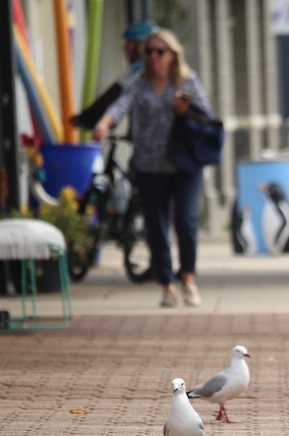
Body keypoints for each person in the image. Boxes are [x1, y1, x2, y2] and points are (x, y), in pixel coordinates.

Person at [92, 28, 212, 308]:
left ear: (172, 55)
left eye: (160, 51)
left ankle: (189, 278)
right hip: (149, 165)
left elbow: (208, 116)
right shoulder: (138, 83)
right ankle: (167, 283)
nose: (154, 56)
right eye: (150, 51)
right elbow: (120, 106)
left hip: (184, 164)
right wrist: (104, 123)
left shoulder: (187, 81)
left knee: (186, 221)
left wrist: (185, 110)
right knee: (156, 226)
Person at [70, 21, 157, 129]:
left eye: (129, 42)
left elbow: (113, 95)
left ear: (141, 45)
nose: (124, 47)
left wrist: (85, 119)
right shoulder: (141, 69)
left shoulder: (139, 71)